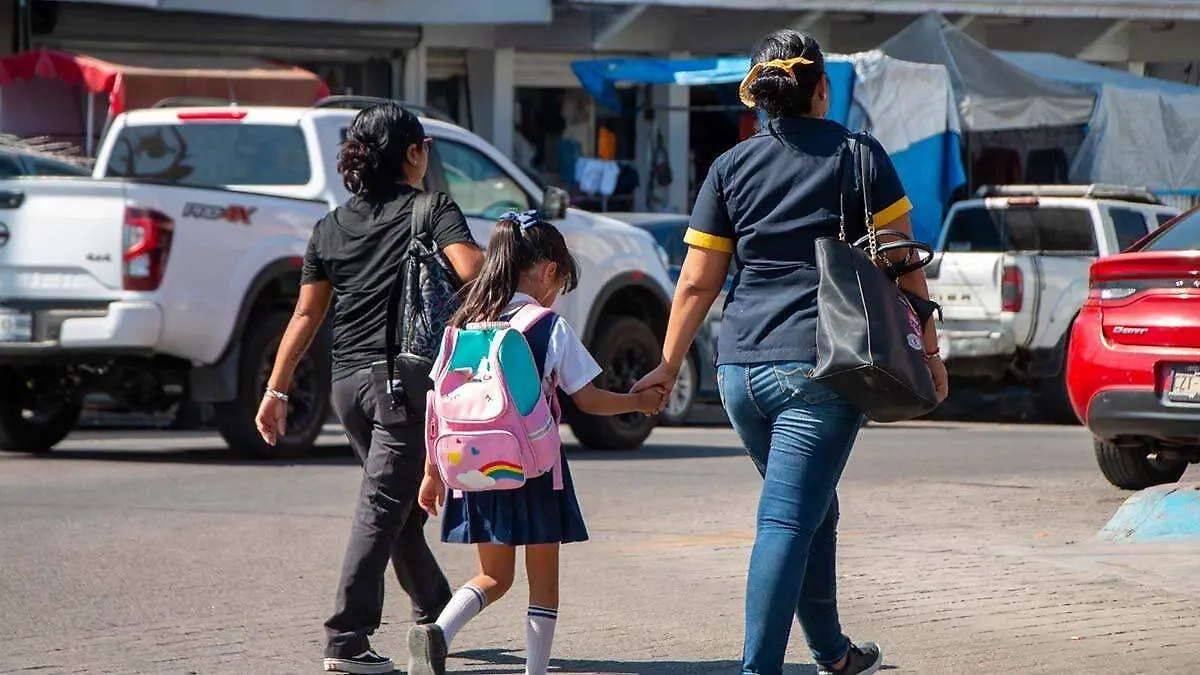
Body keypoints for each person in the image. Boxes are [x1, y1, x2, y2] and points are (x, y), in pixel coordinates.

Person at [632, 30, 949, 675]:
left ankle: (833, 651)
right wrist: (932, 352)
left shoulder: (729, 166)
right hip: (824, 366)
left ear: (761, 95)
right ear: (822, 89)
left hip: (739, 374)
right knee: (786, 522)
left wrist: (668, 363)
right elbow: (902, 262)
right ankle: (760, 669)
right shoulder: (859, 155)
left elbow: (696, 282)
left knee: (812, 508)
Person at [256, 103, 485, 675]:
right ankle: (346, 639)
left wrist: (276, 391)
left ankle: (434, 610)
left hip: (347, 388)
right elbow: (473, 272)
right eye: (426, 147)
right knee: (382, 506)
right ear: (412, 153)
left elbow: (306, 316)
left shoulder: (329, 226)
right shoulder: (432, 209)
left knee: (397, 504)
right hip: (402, 386)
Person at [406, 210, 665, 675]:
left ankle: (438, 632)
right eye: (560, 282)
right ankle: (536, 671)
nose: (557, 293)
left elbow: (437, 405)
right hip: (535, 469)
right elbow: (588, 400)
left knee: (493, 575)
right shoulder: (548, 326)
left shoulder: (462, 325)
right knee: (543, 585)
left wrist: (431, 473)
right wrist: (638, 402)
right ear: (547, 270)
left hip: (475, 469)